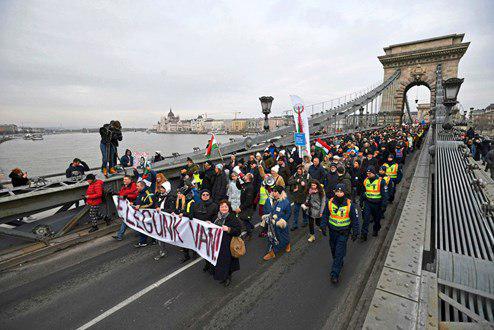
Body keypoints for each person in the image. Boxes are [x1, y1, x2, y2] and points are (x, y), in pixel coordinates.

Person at [327, 184, 360, 284]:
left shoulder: (350, 205)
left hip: (343, 233)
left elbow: (355, 220)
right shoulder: (330, 202)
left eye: (341, 192)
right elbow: (325, 214)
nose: (339, 194)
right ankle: (339, 261)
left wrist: (355, 232)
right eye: (337, 191)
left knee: (339, 252)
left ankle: (334, 274)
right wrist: (323, 225)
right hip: (332, 232)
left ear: (344, 193)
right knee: (334, 250)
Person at [210, 200, 242, 286]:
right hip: (217, 244)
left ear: (228, 208)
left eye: (225, 207)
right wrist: (209, 224)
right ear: (219, 208)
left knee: (227, 262)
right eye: (222, 207)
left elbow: (238, 231)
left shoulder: (232, 218)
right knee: (220, 262)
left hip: (227, 245)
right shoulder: (216, 218)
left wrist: (228, 229)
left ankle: (228, 277)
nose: (223, 208)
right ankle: (222, 276)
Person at [184, 189, 218, 263]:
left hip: (208, 229)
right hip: (198, 228)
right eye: (203, 195)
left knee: (207, 247)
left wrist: (211, 222)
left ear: (209, 196)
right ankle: (195, 253)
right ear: (201, 196)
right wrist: (182, 214)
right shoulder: (195, 205)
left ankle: (208, 263)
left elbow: (216, 217)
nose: (205, 196)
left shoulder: (214, 206)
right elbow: (191, 215)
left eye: (207, 195)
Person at [262, 185, 291, 261]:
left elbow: (288, 213)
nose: (273, 193)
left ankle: (277, 249)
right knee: (273, 238)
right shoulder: (275, 200)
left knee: (282, 238)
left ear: (280, 193)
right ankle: (273, 251)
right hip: (273, 223)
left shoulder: (285, 202)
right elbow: (272, 211)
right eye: (273, 191)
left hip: (281, 224)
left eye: (275, 192)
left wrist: (282, 221)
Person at [360, 166, 387, 241]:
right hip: (368, 203)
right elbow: (363, 192)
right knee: (366, 219)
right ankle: (364, 234)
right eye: (367, 173)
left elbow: (385, 195)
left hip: (377, 204)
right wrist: (361, 201)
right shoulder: (365, 181)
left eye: (369, 173)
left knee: (377, 219)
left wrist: (384, 205)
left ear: (374, 173)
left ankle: (376, 229)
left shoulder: (381, 181)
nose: (368, 175)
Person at [153, 181, 176, 260]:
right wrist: (157, 207)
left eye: (163, 188)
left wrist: (161, 210)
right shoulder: (160, 195)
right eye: (161, 188)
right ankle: (162, 251)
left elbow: (171, 209)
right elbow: (156, 203)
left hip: (167, 220)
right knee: (159, 235)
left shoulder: (171, 197)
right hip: (160, 219)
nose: (161, 189)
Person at [113, 175, 139, 241]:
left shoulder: (134, 185)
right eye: (124, 179)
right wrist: (115, 193)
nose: (124, 180)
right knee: (127, 220)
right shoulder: (124, 186)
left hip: (133, 205)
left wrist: (126, 196)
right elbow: (121, 194)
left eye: (126, 179)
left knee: (129, 220)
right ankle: (120, 235)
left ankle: (139, 233)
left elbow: (135, 195)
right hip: (127, 206)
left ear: (130, 180)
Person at [132, 181, 156, 247]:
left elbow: (151, 203)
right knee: (142, 227)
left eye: (138, 186)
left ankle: (154, 239)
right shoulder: (140, 193)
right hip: (142, 214)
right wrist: (133, 203)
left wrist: (140, 207)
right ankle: (143, 241)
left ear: (142, 186)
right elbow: (139, 201)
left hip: (149, 215)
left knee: (151, 227)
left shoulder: (148, 193)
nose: (136, 187)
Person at [287, 165, 309, 230]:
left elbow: (311, 184)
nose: (298, 170)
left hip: (304, 197)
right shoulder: (295, 175)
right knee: (296, 211)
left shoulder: (307, 175)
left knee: (304, 210)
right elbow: (289, 182)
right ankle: (295, 224)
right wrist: (297, 180)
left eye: (300, 169)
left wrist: (305, 184)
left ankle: (305, 221)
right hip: (296, 197)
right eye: (298, 169)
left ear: (303, 170)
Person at [236, 173, 255, 240]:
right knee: (243, 218)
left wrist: (240, 208)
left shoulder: (250, 187)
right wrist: (237, 179)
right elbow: (239, 187)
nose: (244, 176)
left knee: (245, 220)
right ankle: (251, 226)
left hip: (247, 206)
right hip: (244, 205)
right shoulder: (245, 184)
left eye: (246, 175)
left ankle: (250, 234)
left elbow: (249, 201)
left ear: (248, 178)